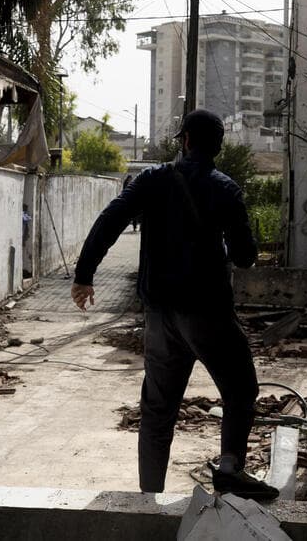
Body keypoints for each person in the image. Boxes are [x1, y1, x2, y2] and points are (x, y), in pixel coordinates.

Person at [70, 109, 277, 501]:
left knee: (158, 408)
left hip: (160, 317)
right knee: (240, 388)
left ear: (185, 140)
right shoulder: (226, 189)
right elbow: (245, 256)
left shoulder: (152, 179)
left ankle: (149, 497)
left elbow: (110, 220)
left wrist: (84, 275)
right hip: (208, 315)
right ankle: (230, 469)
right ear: (218, 146)